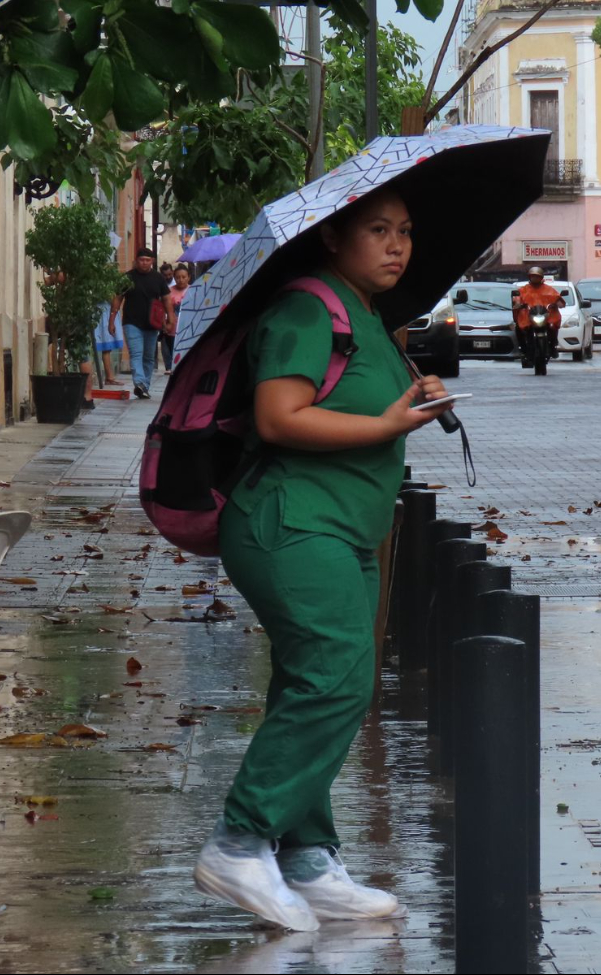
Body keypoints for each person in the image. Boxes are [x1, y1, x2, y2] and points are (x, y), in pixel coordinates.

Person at [193, 187, 452, 931]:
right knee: (336, 674)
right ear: (333, 237)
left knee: (321, 680)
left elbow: (366, 407)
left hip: (342, 528)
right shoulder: (308, 308)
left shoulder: (368, 317)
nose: (397, 244)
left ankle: (307, 858)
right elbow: (280, 417)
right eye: (377, 229)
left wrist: (413, 401)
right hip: (292, 523)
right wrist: (384, 424)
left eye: (404, 230)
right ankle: (239, 841)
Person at [109, 247, 172, 399]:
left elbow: (166, 299)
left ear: (152, 261)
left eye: (147, 260)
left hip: (152, 323)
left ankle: (144, 386)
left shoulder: (158, 278)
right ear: (136, 261)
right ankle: (139, 382)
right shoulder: (127, 277)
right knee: (136, 353)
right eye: (141, 260)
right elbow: (118, 298)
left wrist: (170, 318)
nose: (144, 263)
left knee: (149, 357)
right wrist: (111, 320)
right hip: (131, 322)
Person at [512, 266, 564, 366]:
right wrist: (518, 303)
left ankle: (553, 346)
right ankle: (524, 349)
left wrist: (558, 303)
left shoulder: (549, 289)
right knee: (518, 328)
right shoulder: (524, 289)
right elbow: (517, 299)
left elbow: (557, 298)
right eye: (533, 276)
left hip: (545, 316)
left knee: (553, 327)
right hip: (528, 317)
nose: (535, 278)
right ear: (529, 277)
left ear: (541, 278)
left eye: (537, 276)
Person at [162, 263, 191, 373]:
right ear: (174, 278)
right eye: (178, 277)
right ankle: (170, 367)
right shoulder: (168, 291)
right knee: (169, 347)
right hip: (171, 326)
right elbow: (163, 308)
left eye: (184, 277)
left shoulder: (193, 290)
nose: (181, 280)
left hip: (186, 327)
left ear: (189, 277)